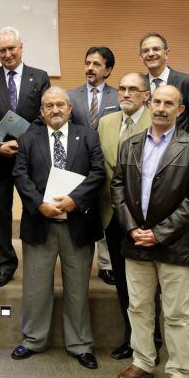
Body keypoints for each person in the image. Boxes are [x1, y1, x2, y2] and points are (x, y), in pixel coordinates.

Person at [111, 85, 189, 378]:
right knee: (138, 306)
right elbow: (117, 187)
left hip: (174, 243)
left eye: (170, 103)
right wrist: (130, 228)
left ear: (180, 110)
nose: (162, 108)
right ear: (149, 103)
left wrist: (160, 233)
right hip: (136, 241)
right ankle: (142, 360)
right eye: (158, 102)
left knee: (177, 312)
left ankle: (180, 372)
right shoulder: (130, 144)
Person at [11, 86, 105, 368]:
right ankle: (32, 340)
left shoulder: (88, 136)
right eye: (49, 105)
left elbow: (98, 172)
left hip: (77, 224)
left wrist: (74, 200)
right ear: (42, 111)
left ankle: (80, 344)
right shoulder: (28, 138)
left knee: (77, 287)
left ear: (69, 108)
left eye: (60, 105)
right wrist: (39, 203)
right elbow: (20, 174)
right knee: (36, 287)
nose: (55, 110)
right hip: (40, 223)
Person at [0, 26, 50, 287]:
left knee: (35, 207)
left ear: (21, 47)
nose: (7, 54)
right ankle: (5, 263)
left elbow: (45, 114)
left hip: (31, 157)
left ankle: (39, 263)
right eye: (2, 50)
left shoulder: (39, 77)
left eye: (11, 48)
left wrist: (23, 142)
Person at [97, 72, 162, 361]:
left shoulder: (157, 124)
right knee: (123, 283)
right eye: (122, 89)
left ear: (146, 95)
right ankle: (131, 338)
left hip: (144, 220)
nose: (125, 94)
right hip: (112, 216)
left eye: (133, 89)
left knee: (149, 287)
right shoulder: (106, 122)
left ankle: (153, 342)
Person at [67, 46, 120, 286]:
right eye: (88, 62)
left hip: (108, 164)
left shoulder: (118, 97)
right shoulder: (71, 96)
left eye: (97, 64)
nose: (90, 68)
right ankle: (78, 261)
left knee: (106, 212)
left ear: (108, 70)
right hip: (78, 165)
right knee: (82, 213)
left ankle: (107, 264)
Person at [139, 33, 189, 137]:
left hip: (179, 150)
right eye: (145, 51)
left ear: (166, 53)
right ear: (141, 57)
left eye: (156, 49)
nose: (151, 53)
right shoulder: (138, 85)